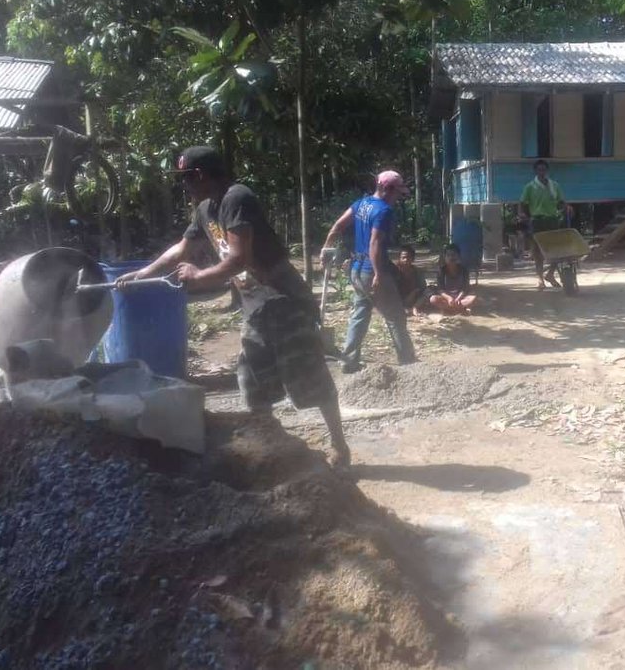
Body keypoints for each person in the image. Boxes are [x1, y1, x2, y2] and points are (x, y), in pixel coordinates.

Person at [115, 146, 350, 467]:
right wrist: (143, 273)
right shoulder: (205, 210)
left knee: (309, 376)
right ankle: (273, 450)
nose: (183, 187)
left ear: (199, 176)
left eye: (185, 179)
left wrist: (200, 276)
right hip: (256, 307)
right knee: (253, 383)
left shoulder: (237, 198)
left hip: (284, 301)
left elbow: (240, 258)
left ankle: (339, 446)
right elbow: (181, 249)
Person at [322, 170, 417, 373]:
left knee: (360, 313)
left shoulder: (361, 203)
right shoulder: (384, 211)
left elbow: (337, 226)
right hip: (371, 271)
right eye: (397, 192)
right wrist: (378, 273)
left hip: (355, 270)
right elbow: (375, 242)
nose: (398, 197)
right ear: (386, 189)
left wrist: (326, 247)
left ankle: (349, 361)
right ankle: (409, 364)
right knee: (395, 317)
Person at [519, 159, 571, 289]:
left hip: (552, 220)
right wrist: (522, 214)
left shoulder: (554, 185)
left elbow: (560, 202)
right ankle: (540, 279)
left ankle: (550, 274)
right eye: (539, 169)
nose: (542, 172)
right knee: (537, 252)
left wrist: (567, 207)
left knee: (557, 251)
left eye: (544, 169)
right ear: (536, 171)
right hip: (537, 221)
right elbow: (522, 203)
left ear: (547, 171)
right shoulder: (530, 187)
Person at [429, 243, 477, 316]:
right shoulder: (441, 271)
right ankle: (459, 309)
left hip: (460, 298)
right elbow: (440, 289)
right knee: (433, 299)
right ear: (445, 257)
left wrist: (458, 298)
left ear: (458, 256)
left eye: (454, 255)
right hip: (446, 298)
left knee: (473, 298)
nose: (451, 257)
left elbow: (465, 288)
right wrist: (449, 298)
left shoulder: (464, 270)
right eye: (448, 255)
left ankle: (450, 309)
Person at [395, 244, 428, 316]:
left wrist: (414, 292)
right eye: (403, 257)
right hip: (399, 299)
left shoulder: (417, 271)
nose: (406, 260)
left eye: (408, 257)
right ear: (399, 258)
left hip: (414, 298)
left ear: (413, 259)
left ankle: (414, 308)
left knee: (429, 291)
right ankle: (404, 309)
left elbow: (423, 287)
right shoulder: (394, 271)